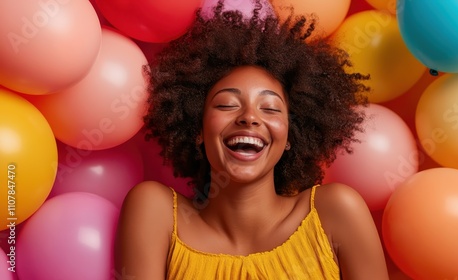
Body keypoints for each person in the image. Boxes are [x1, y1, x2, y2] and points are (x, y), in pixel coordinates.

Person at [114, 1, 389, 279]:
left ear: (291, 135)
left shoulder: (335, 212)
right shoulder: (156, 212)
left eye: (269, 108)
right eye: (227, 104)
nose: (249, 117)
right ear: (197, 127)